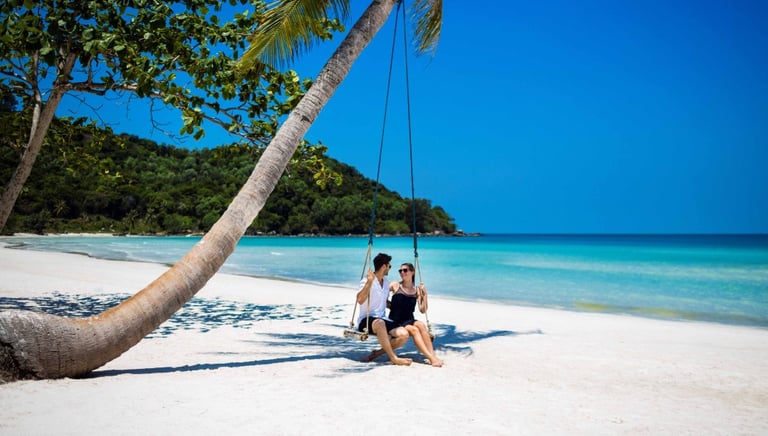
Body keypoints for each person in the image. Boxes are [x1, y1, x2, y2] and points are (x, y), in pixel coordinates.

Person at [356, 253, 412, 366]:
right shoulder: (366, 280)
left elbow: (384, 302)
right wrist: (369, 282)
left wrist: (401, 307)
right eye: (389, 266)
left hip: (382, 319)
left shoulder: (386, 282)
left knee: (404, 334)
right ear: (383, 266)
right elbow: (360, 300)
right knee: (380, 323)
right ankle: (393, 358)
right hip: (366, 320)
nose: (389, 269)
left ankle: (377, 353)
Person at [388, 262, 443, 367]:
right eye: (400, 270)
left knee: (421, 325)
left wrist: (424, 294)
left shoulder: (416, 290)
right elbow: (381, 294)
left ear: (412, 272)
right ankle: (431, 358)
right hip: (396, 321)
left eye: (405, 270)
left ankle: (433, 355)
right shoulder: (395, 285)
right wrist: (390, 305)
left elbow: (423, 309)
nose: (402, 272)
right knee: (414, 330)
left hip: (409, 319)